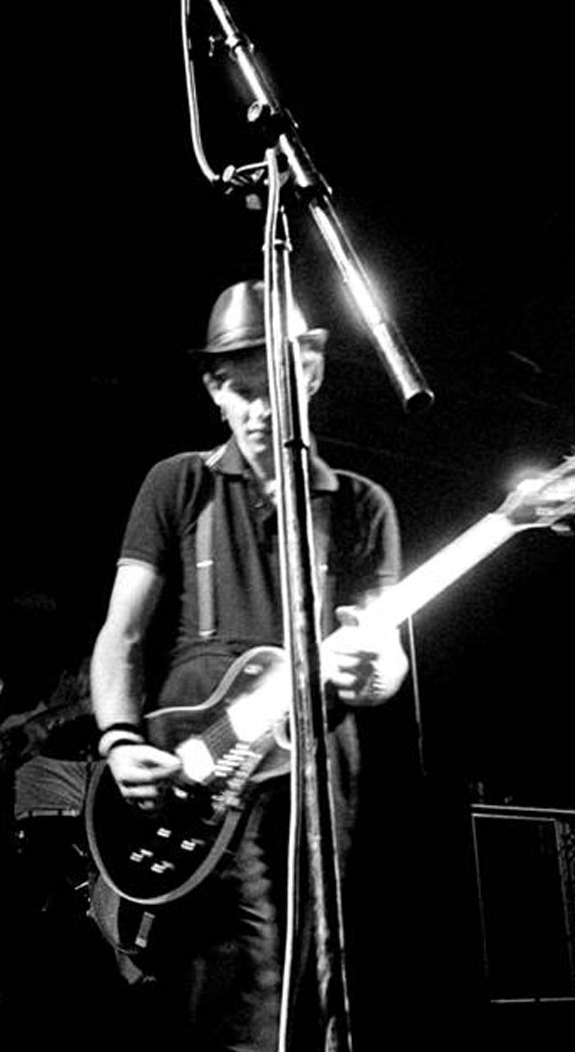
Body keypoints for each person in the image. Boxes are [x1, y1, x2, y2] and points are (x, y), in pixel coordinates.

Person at [88, 280, 408, 1050]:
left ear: (314, 373)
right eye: (243, 391)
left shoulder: (363, 505)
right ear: (214, 390)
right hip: (197, 762)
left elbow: (388, 662)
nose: (262, 411)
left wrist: (371, 673)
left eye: (279, 386)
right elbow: (121, 635)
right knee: (225, 980)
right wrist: (120, 741)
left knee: (315, 966)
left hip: (313, 764)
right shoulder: (179, 482)